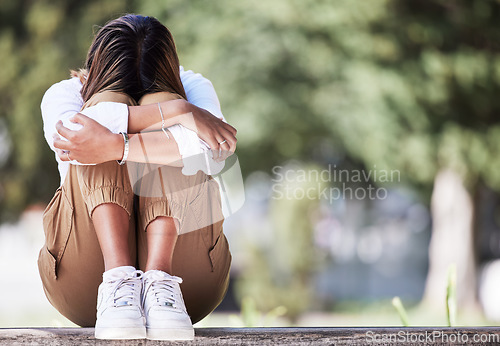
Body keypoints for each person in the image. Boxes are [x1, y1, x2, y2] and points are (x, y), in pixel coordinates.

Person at [39, 14, 237, 340]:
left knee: (163, 101)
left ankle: (160, 281)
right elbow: (73, 136)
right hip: (83, 286)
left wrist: (119, 143)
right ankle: (118, 281)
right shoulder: (65, 93)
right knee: (102, 112)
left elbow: (213, 149)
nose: (137, 92)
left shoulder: (194, 86)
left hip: (188, 287)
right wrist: (179, 114)